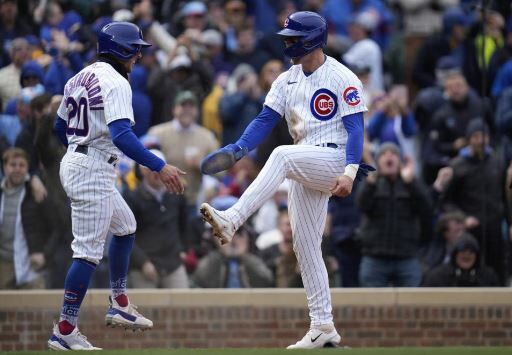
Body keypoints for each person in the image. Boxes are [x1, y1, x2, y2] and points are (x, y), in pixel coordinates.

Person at [199, 11, 371, 349]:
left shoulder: (342, 76)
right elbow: (265, 119)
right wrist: (238, 148)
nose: (288, 42)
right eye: (287, 37)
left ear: (313, 39)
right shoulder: (286, 79)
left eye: (294, 37)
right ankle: (323, 326)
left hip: (335, 157)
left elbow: (356, 129)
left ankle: (232, 219)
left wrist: (350, 171)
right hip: (306, 159)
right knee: (305, 247)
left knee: (280, 155)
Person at [48, 22, 186, 351]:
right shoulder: (116, 82)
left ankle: (119, 302)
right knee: (87, 255)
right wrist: (159, 165)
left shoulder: (77, 77)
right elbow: (122, 135)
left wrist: (79, 146)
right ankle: (65, 329)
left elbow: (58, 127)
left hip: (81, 160)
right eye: (135, 48)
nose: (139, 54)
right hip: (92, 166)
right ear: (120, 49)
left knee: (125, 227)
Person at [356, 142, 433, 287]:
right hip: (375, 258)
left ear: (401, 162)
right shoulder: (372, 183)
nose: (389, 156)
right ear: (378, 162)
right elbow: (361, 206)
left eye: (394, 153)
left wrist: (411, 184)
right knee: (373, 306)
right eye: (384, 154)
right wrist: (370, 183)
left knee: (409, 305)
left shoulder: (411, 183)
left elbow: (426, 208)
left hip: (406, 257)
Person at [422, 234, 499, 287]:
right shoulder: (436, 276)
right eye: (463, 250)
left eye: (472, 251)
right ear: (455, 254)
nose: (467, 254)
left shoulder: (488, 276)